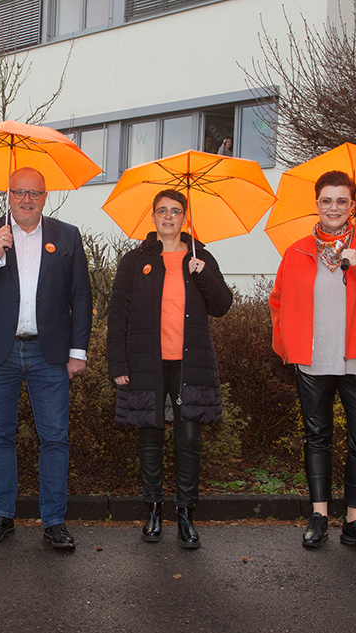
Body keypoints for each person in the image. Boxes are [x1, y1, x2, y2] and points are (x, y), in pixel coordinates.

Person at [269, 170, 356, 553]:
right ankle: (318, 516)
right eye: (327, 200)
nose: (334, 207)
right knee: (318, 437)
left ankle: (355, 522)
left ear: (352, 205)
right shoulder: (296, 251)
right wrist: (287, 347)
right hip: (312, 360)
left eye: (341, 200)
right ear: (317, 204)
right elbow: (278, 301)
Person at [0, 166, 93, 550]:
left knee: (54, 438)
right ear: (9, 195)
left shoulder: (67, 235)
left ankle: (54, 521)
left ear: (45, 197)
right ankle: (2, 516)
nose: (26, 199)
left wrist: (77, 352)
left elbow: (81, 297)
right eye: (19, 192)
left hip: (49, 353)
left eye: (34, 193)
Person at [106, 189, 233, 549]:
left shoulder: (200, 256)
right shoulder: (135, 261)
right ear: (153, 216)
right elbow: (118, 315)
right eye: (161, 211)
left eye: (175, 211)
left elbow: (222, 305)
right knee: (149, 436)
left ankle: (186, 514)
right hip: (146, 362)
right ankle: (153, 510)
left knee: (188, 440)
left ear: (184, 217)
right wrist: (117, 362)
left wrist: (203, 274)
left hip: (188, 363)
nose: (168, 217)